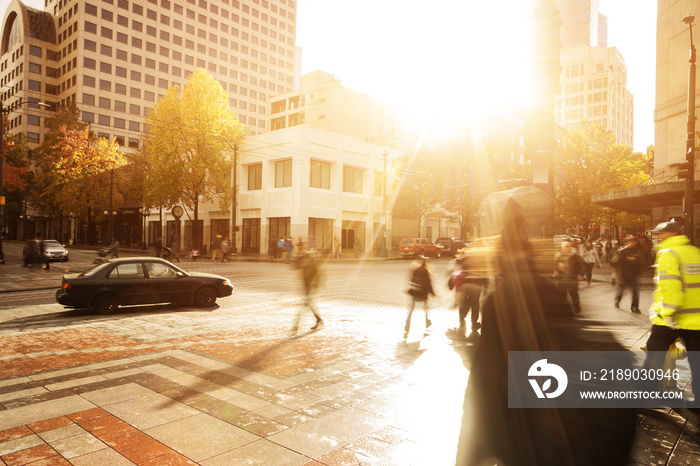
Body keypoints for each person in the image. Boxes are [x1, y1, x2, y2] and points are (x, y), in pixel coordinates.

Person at [456, 198, 636, 465]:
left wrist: (468, 455)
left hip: (525, 430)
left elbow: (484, 380)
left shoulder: (500, 300)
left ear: (500, 260)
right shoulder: (549, 291)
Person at [643, 219, 700, 405]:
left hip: (670, 319)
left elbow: (671, 287)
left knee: (654, 356)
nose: (658, 237)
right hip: (696, 320)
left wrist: (668, 313)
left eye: (661, 234)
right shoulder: (695, 252)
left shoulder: (668, 253)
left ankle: (647, 395)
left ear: (671, 234)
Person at [451, 250, 487, 339]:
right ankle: (474, 323)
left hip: (467, 285)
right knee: (475, 304)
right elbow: (484, 274)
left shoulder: (469, 258)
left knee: (465, 303)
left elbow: (458, 261)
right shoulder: (480, 261)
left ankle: (463, 321)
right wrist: (485, 285)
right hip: (476, 286)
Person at [291, 250, 324, 333]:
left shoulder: (312, 267)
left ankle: (295, 326)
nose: (304, 262)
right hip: (307, 289)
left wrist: (311, 289)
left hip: (310, 289)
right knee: (308, 305)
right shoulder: (305, 266)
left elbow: (317, 278)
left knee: (304, 306)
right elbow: (295, 266)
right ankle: (319, 320)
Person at [404, 256, 435, 338]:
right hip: (422, 293)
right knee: (426, 309)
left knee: (411, 310)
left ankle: (407, 325)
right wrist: (433, 293)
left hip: (414, 292)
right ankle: (427, 322)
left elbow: (411, 279)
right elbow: (428, 283)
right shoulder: (426, 271)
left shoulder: (414, 270)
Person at [553, 240, 585, 314]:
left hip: (572, 279)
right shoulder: (558, 255)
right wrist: (557, 271)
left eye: (567, 246)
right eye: (564, 246)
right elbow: (555, 265)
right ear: (561, 247)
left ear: (570, 247)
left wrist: (581, 274)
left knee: (573, 293)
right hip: (562, 279)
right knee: (562, 295)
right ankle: (564, 310)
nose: (565, 248)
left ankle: (576, 305)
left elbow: (583, 265)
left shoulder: (575, 256)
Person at [613, 235, 644, 313]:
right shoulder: (623, 251)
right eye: (629, 241)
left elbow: (641, 262)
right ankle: (618, 300)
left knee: (635, 292)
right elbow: (616, 262)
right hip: (625, 274)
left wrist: (639, 271)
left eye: (633, 241)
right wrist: (627, 259)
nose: (631, 243)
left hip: (635, 275)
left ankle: (634, 307)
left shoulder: (638, 250)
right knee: (622, 289)